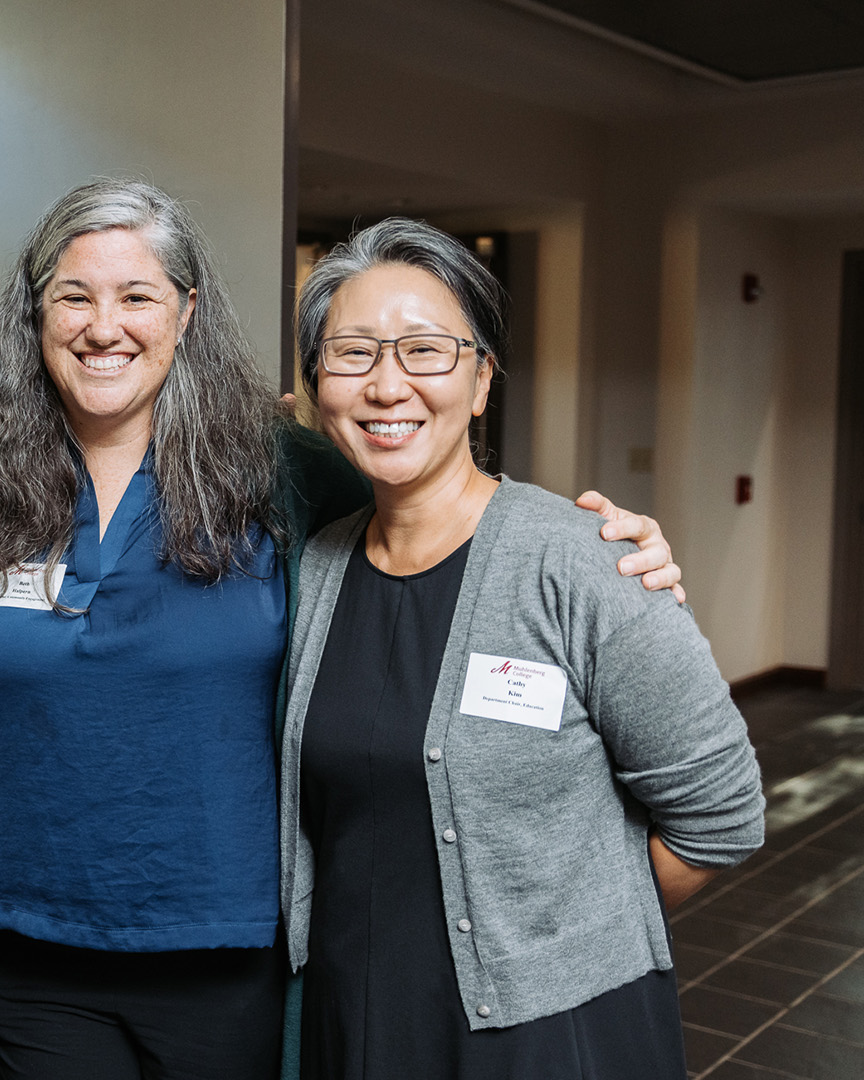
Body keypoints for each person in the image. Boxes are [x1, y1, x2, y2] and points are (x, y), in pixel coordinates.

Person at [0, 182, 686, 1080]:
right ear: (35, 311)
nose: (103, 325)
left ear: (187, 310)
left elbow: (436, 522)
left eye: (138, 297)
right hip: (30, 952)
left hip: (229, 959)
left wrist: (602, 557)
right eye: (74, 296)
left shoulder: (281, 472)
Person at [279, 217, 765, 1079]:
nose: (388, 385)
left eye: (426, 351)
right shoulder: (316, 564)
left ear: (481, 382)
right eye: (352, 354)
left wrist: (563, 941)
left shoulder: (580, 561)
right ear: (317, 386)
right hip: (359, 1019)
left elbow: (721, 814)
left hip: (550, 1035)